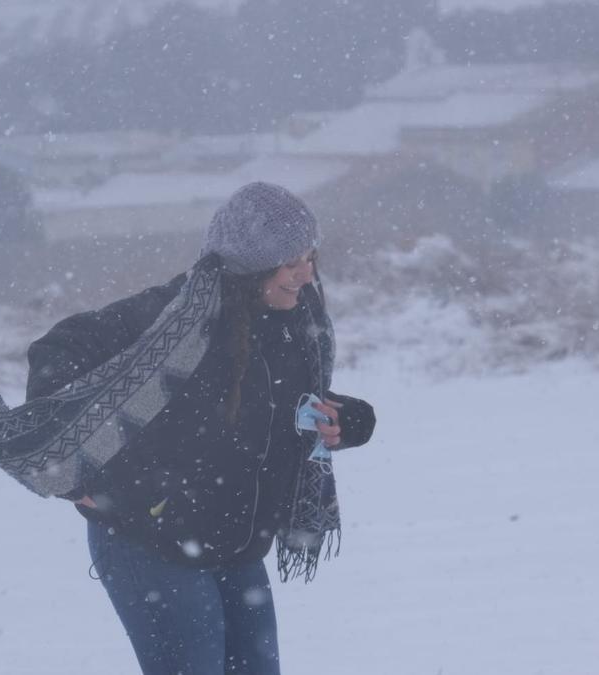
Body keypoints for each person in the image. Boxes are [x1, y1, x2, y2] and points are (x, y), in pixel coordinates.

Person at [24, 182, 376, 674]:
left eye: (310, 256)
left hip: (234, 539)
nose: (306, 273)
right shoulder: (175, 318)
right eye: (291, 260)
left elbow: (287, 406)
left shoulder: (293, 324)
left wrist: (351, 419)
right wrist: (82, 476)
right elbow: (57, 355)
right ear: (251, 263)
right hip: (148, 536)